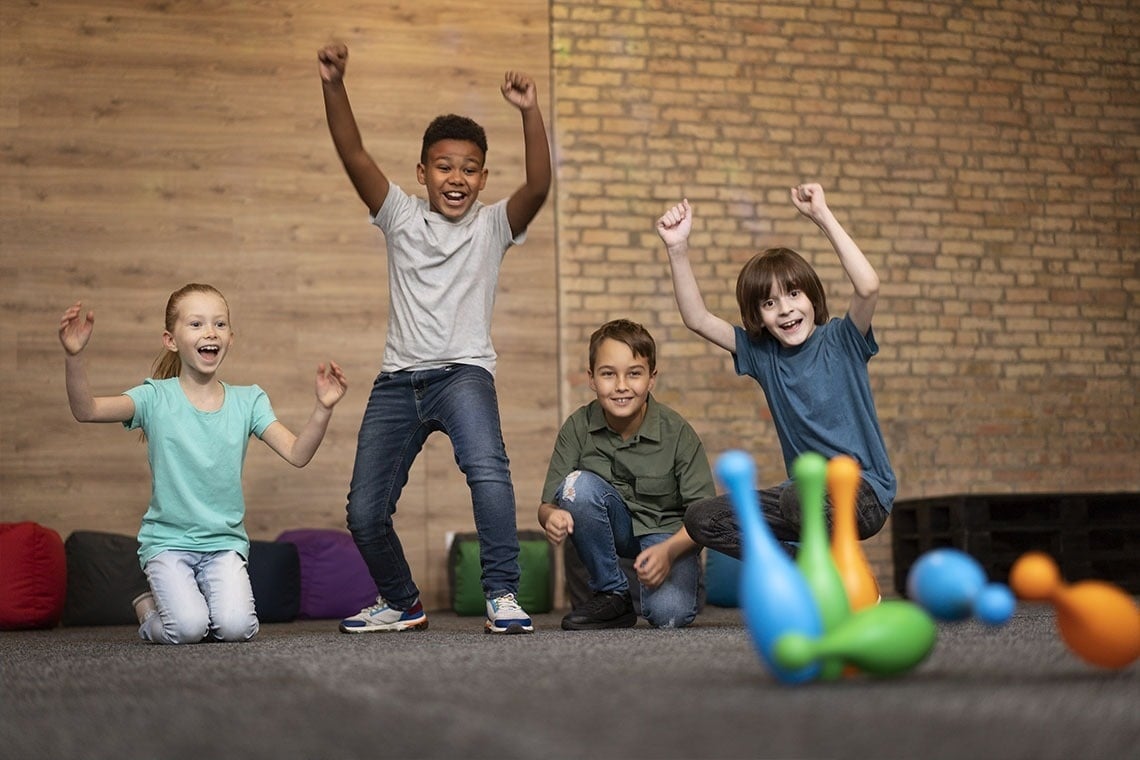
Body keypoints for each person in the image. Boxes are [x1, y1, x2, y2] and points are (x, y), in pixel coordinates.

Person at [318, 42, 551, 634]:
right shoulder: (398, 214)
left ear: (483, 178)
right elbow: (352, 151)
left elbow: (540, 186)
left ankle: (501, 593)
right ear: (422, 173)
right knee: (364, 513)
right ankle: (401, 602)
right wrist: (334, 83)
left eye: (470, 168)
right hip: (399, 380)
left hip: (464, 373)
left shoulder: (494, 225)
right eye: (444, 166)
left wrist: (528, 111)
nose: (457, 178)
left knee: (488, 472)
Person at [58, 284, 348, 645]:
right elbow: (86, 410)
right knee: (189, 629)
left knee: (236, 628)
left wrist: (323, 409)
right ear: (170, 340)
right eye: (196, 324)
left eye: (219, 324)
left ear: (231, 338)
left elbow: (297, 454)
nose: (210, 332)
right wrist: (74, 357)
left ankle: (192, 606)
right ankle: (148, 610)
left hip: (224, 544)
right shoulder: (154, 397)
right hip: (168, 544)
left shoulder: (249, 401)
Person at [654, 184, 895, 559]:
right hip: (801, 499)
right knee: (704, 518)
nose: (785, 309)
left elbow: (868, 286)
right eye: (770, 302)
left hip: (863, 494)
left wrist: (822, 216)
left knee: (800, 497)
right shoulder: (763, 355)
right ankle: (796, 570)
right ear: (759, 317)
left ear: (813, 297)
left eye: (794, 294)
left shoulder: (842, 340)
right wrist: (677, 248)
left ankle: (839, 574)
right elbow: (697, 319)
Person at [538, 319, 715, 630]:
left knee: (669, 616)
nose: (621, 386)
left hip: (667, 535)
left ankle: (678, 583)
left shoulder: (678, 433)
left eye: (634, 373)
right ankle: (613, 593)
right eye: (608, 374)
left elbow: (704, 519)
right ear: (591, 379)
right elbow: (547, 505)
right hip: (615, 530)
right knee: (577, 485)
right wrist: (551, 518)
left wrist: (669, 551)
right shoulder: (577, 427)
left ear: (651, 378)